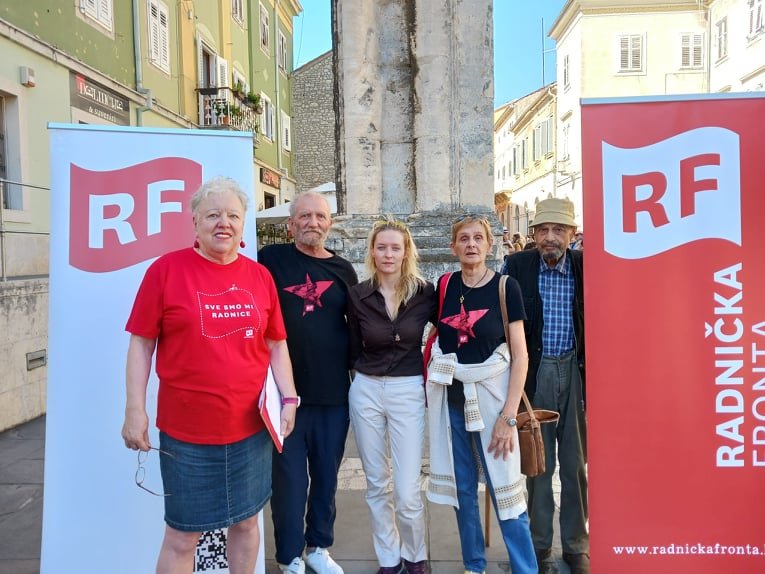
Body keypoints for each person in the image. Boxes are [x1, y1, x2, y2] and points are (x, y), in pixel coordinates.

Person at [121, 176, 298, 574]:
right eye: (213, 214)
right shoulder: (166, 271)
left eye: (233, 215)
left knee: (247, 522)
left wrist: (289, 398)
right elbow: (141, 344)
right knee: (183, 536)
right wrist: (135, 410)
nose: (224, 223)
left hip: (251, 429)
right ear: (195, 222)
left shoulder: (259, 277)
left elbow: (276, 345)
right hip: (186, 435)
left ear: (242, 224)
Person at [426, 215, 537, 574]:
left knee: (506, 491)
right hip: (452, 406)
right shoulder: (443, 286)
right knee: (463, 494)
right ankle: (474, 565)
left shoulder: (506, 288)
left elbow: (519, 356)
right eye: (464, 238)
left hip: (493, 407)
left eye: (478, 238)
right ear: (453, 246)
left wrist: (508, 417)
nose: (471, 244)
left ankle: (525, 568)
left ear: (490, 245)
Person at [258, 192, 358, 574]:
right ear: (290, 223)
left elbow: (357, 326)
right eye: (304, 216)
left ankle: (318, 546)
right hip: (284, 395)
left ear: (329, 223)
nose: (312, 222)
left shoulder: (344, 271)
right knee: (289, 482)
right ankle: (288, 556)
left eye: (319, 216)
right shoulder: (271, 260)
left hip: (334, 394)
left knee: (327, 477)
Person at [503, 197, 588, 574]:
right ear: (534, 234)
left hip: (575, 370)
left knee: (575, 464)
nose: (550, 237)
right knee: (536, 463)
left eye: (558, 230)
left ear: (571, 234)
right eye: (543, 230)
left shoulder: (587, 267)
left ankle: (575, 545)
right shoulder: (517, 266)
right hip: (533, 374)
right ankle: (538, 548)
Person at [347, 219, 436, 574]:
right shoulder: (358, 294)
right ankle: (389, 557)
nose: (387, 254)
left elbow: (449, 331)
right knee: (375, 483)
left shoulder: (425, 293)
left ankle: (415, 554)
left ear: (405, 252)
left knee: (407, 489)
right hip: (366, 388)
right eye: (381, 247)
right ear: (372, 251)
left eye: (394, 247)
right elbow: (353, 344)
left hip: (408, 389)